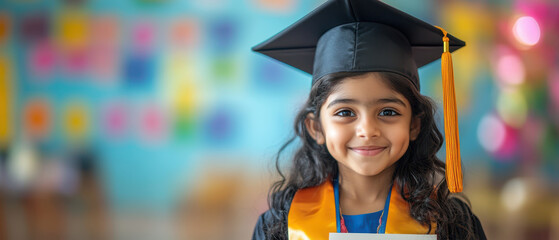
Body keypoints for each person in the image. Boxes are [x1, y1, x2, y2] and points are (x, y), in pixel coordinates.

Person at [251, 0, 486, 239]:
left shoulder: (451, 222)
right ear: (316, 128)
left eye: (388, 112)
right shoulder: (279, 225)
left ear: (414, 124)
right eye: (345, 112)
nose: (367, 130)